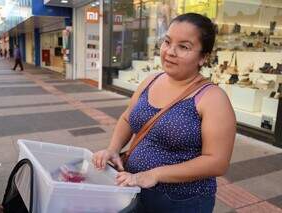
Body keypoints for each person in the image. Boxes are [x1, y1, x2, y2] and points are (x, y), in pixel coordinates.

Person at [92, 13, 236, 213]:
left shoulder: (212, 98)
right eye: (167, 42)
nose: (170, 52)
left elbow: (217, 162)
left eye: (183, 47)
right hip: (133, 188)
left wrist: (155, 174)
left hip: (181, 202)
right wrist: (113, 149)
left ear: (203, 57)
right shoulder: (151, 80)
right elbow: (127, 118)